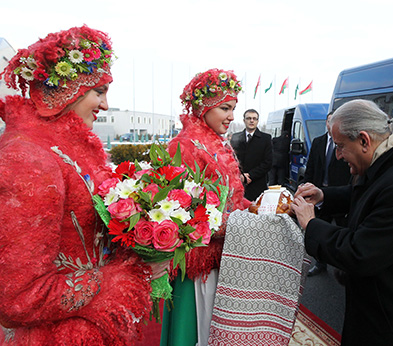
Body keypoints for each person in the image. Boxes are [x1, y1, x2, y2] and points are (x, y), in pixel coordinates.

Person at [0, 26, 168, 346]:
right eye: (99, 91)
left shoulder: (71, 150)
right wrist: (122, 279)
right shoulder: (29, 158)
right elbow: (16, 297)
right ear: (70, 90)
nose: (105, 105)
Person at [291, 99, 393, 345]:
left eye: (339, 146)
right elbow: (369, 195)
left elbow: (359, 253)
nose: (337, 156)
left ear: (363, 140)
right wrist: (324, 196)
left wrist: (311, 224)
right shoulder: (391, 158)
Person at [164, 68, 251, 346]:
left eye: (233, 108)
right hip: (198, 262)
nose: (231, 116)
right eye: (225, 108)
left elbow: (230, 197)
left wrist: (254, 207)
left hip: (221, 255)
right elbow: (181, 213)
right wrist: (240, 222)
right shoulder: (185, 146)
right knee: (197, 331)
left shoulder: (216, 143)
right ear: (205, 106)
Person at [301, 112, 350, 276]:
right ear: (327, 123)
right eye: (329, 121)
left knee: (344, 230)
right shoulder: (318, 142)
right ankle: (320, 264)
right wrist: (307, 187)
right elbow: (311, 166)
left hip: (340, 194)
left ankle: (344, 266)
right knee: (320, 227)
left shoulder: (346, 144)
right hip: (319, 194)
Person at [231, 109, 273, 201]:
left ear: (258, 121)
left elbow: (268, 162)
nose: (251, 121)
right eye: (249, 118)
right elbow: (231, 159)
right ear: (244, 120)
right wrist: (241, 176)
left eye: (254, 118)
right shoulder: (235, 137)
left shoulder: (266, 138)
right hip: (239, 183)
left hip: (258, 184)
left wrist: (250, 175)